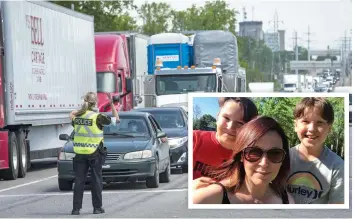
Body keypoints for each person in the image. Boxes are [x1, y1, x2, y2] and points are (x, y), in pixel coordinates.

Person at [193, 116, 295, 204]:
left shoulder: (287, 201)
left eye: (275, 154)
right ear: (241, 156)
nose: (264, 163)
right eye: (254, 152)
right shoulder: (211, 198)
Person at [70, 92, 120, 215]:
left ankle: (76, 209)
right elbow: (116, 120)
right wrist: (111, 104)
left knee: (79, 181)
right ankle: (97, 208)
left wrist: (79, 110)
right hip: (94, 153)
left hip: (80, 153)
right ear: (95, 102)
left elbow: (71, 115)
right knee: (96, 180)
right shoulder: (97, 117)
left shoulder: (77, 117)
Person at [287, 97, 344, 204]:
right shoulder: (283, 158)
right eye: (305, 121)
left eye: (320, 123)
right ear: (295, 125)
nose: (312, 128)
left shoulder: (337, 166)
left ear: (329, 129)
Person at [193, 97, 258, 180]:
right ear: (217, 117)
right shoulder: (194, 139)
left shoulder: (251, 156)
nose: (230, 126)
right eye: (226, 118)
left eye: (240, 123)